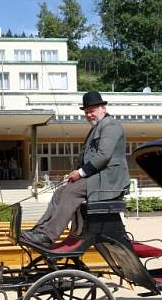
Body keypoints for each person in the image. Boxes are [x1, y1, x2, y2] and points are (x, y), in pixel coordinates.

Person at [20, 91, 129, 247]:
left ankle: (48, 236)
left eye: (92, 111)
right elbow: (86, 158)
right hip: (96, 177)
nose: (89, 115)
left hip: (109, 180)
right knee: (60, 192)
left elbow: (103, 156)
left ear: (102, 108)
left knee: (72, 191)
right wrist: (72, 177)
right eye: (86, 112)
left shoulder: (110, 125)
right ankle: (40, 230)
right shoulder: (97, 127)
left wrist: (80, 173)